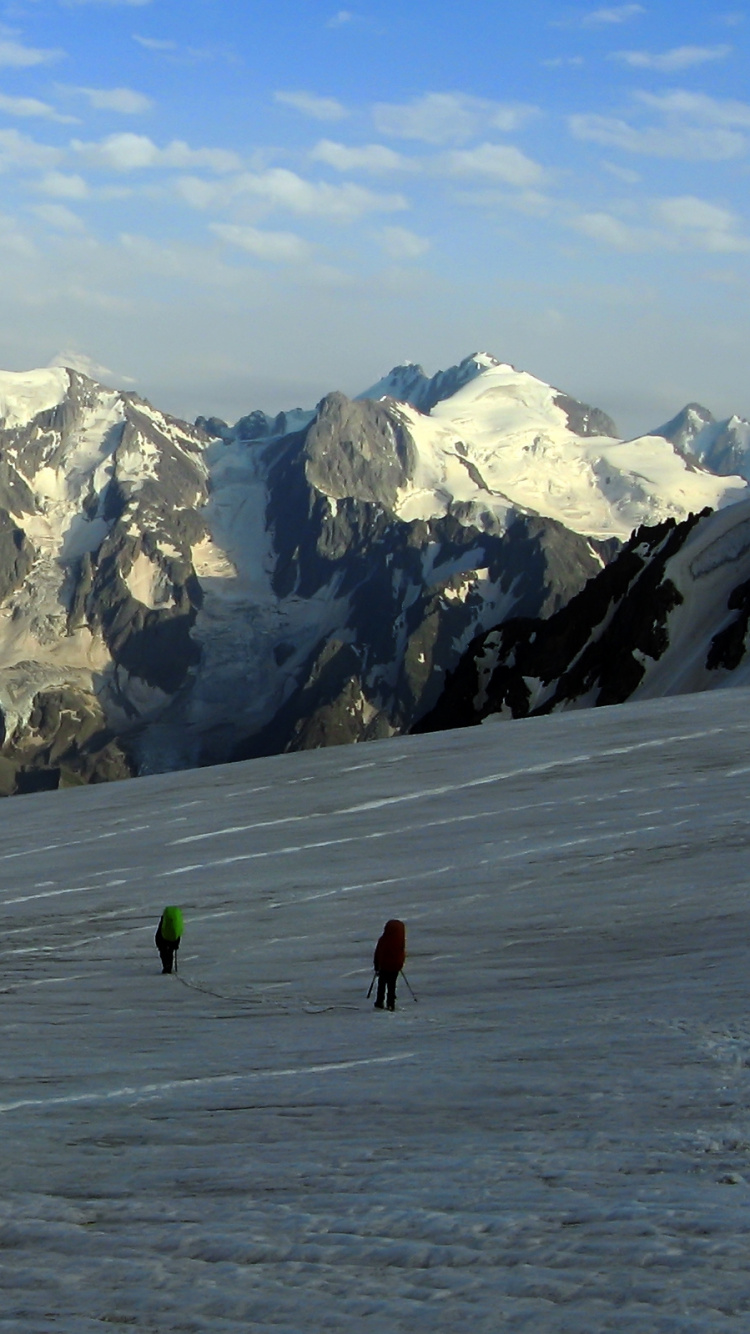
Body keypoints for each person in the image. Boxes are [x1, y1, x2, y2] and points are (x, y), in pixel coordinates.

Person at [373, 918, 406, 1011]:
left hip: (383, 966)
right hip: (395, 966)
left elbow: (378, 952)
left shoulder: (384, 940)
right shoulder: (399, 941)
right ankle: (390, 1003)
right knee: (392, 985)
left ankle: (380, 1002)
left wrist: (376, 965)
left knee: (382, 984)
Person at [155, 906, 183, 974]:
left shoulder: (164, 920)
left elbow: (159, 933)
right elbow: (178, 933)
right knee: (170, 951)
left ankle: (167, 967)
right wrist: (176, 944)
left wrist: (158, 943)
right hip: (172, 938)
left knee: (163, 951)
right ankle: (169, 966)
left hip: (162, 938)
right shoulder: (175, 922)